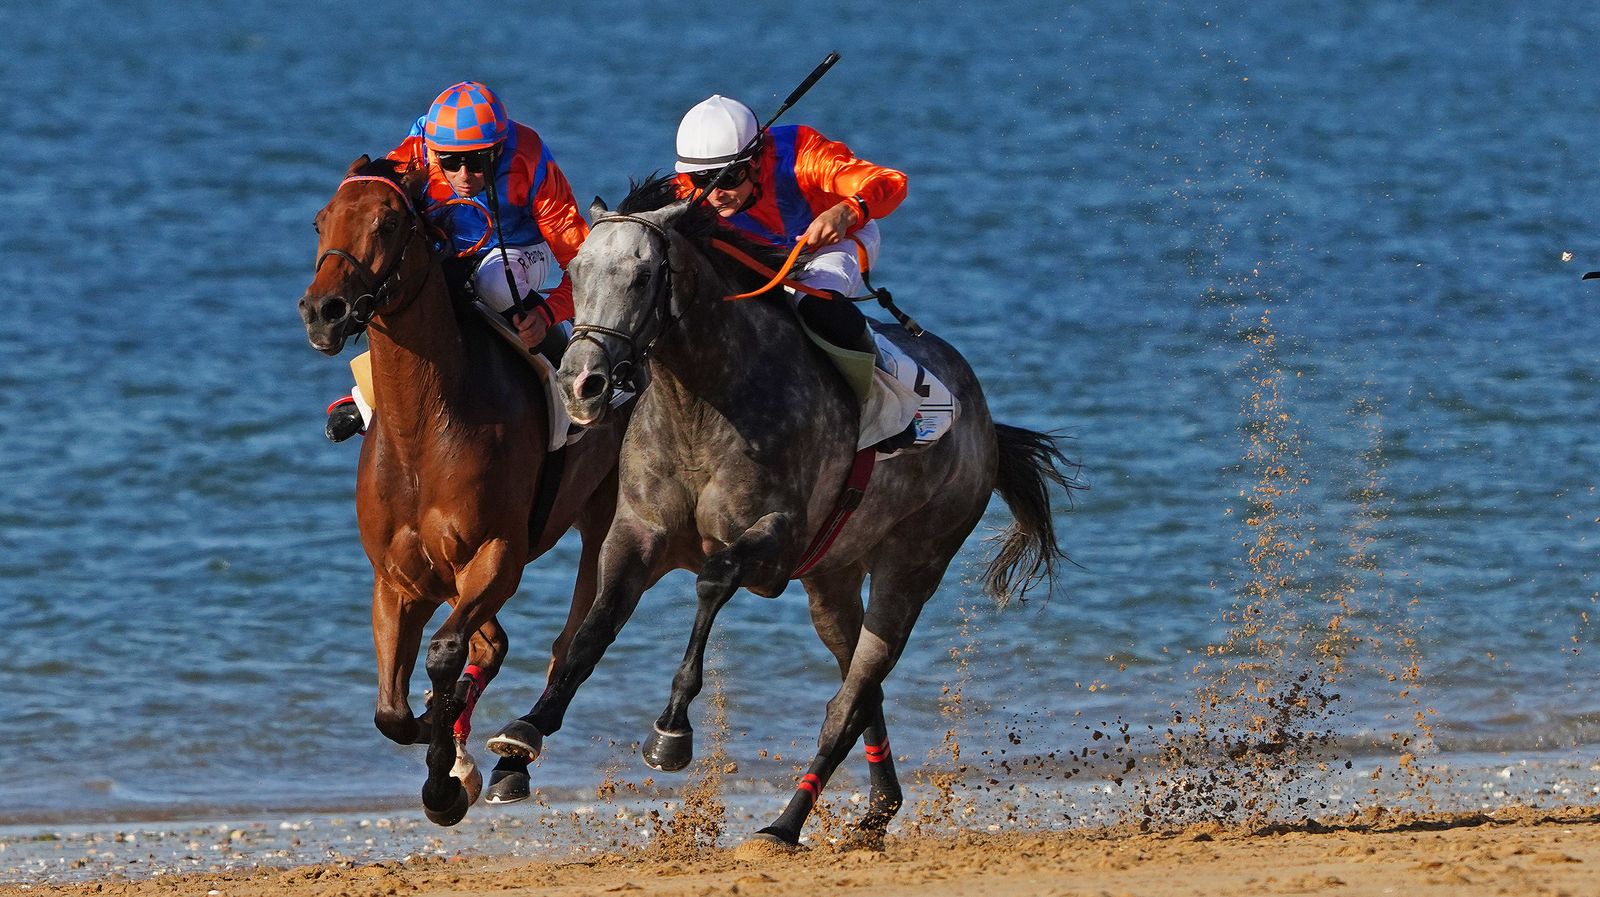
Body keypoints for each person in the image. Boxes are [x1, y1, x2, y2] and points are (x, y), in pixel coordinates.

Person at [325, 81, 590, 442]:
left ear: (498, 151)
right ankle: (370, 392)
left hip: (521, 248)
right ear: (434, 153)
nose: (464, 176)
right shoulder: (417, 150)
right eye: (451, 162)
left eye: (478, 162)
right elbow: (373, 192)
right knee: (398, 277)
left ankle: (570, 376)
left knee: (494, 281)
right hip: (451, 251)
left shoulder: (528, 158)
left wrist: (547, 316)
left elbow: (582, 263)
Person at [671, 95, 908, 423]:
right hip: (762, 259)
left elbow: (890, 181)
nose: (715, 193)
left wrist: (845, 211)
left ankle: (895, 387)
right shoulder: (686, 191)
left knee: (813, 301)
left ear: (755, 162)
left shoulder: (802, 153)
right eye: (703, 180)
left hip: (834, 243)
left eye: (727, 178)